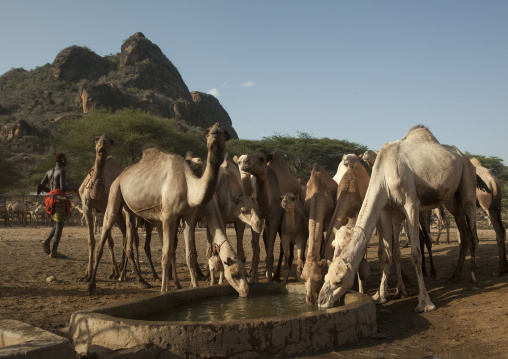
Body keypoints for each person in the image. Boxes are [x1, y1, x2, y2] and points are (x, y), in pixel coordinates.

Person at [37, 153, 74, 258]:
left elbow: (41, 185)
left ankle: (47, 242)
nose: (66, 161)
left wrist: (51, 192)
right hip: (59, 201)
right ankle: (54, 251)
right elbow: (62, 187)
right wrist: (74, 188)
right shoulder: (61, 171)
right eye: (65, 159)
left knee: (58, 223)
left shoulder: (48, 172)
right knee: (60, 225)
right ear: (62, 160)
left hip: (50, 200)